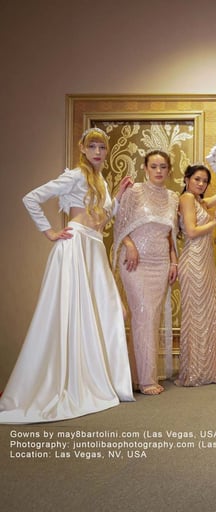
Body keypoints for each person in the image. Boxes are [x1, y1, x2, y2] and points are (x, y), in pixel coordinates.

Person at [0, 127, 134, 423]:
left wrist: (119, 195)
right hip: (76, 244)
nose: (98, 151)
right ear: (83, 149)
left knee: (102, 310)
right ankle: (66, 383)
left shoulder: (100, 179)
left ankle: (97, 378)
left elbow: (105, 216)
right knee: (71, 311)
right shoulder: (75, 174)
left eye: (102, 147)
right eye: (93, 146)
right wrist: (48, 231)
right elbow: (31, 198)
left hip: (94, 245)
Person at [113, 150, 179, 395]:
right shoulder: (134, 192)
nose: (159, 171)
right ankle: (146, 380)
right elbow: (119, 222)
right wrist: (129, 245)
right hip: (134, 262)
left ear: (169, 169)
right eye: (154, 166)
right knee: (143, 314)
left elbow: (171, 234)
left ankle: (136, 376)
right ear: (145, 168)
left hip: (160, 262)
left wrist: (173, 262)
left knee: (150, 317)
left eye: (163, 166)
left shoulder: (173, 197)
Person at [175, 164, 216, 387]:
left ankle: (203, 370)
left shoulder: (199, 201)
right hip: (193, 261)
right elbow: (192, 231)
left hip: (204, 262)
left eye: (204, 181)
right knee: (196, 317)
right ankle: (193, 372)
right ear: (186, 179)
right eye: (197, 179)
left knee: (207, 313)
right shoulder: (186, 198)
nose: (201, 184)